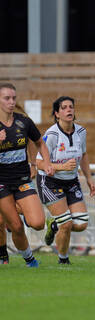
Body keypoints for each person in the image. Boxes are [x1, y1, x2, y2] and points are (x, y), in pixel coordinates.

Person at [36, 96, 95, 265]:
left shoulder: (81, 132)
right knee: (67, 224)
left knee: (82, 223)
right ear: (57, 114)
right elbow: (39, 163)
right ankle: (63, 260)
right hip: (50, 181)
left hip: (71, 181)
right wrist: (61, 167)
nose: (69, 110)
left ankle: (54, 224)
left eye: (71, 107)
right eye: (64, 108)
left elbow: (83, 155)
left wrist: (89, 179)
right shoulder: (52, 134)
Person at [0, 83, 53, 267]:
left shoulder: (24, 122)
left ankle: (19, 208)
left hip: (22, 179)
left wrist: (44, 162)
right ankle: (30, 260)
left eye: (14, 98)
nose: (11, 102)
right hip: (1, 183)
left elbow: (40, 142)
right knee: (15, 226)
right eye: (7, 98)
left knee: (38, 223)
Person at [0, 104, 38, 265]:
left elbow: (31, 140)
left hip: (17, 178)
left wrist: (33, 163)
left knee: (10, 221)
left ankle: (19, 213)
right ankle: (3, 255)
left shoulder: (21, 119)